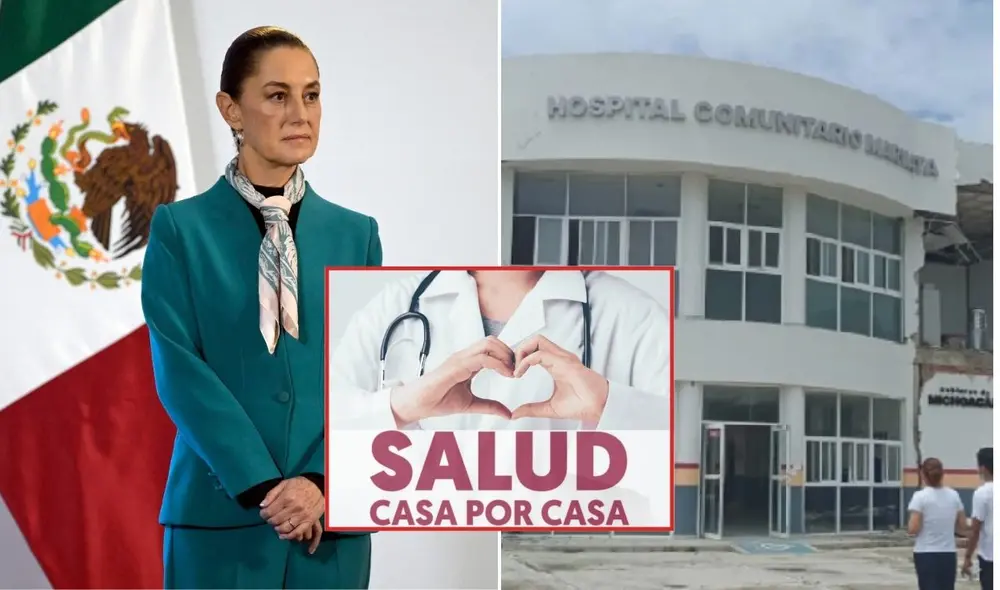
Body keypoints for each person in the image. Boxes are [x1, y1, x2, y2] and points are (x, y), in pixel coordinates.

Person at [141, 26, 381, 589]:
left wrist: (320, 481)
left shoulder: (357, 236)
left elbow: (373, 377)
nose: (300, 113)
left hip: (330, 525)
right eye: (278, 96)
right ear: (231, 109)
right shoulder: (180, 230)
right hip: (220, 520)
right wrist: (262, 487)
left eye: (312, 95)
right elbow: (179, 370)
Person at [329, 269, 670, 431]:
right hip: (434, 554)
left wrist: (610, 405)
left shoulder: (632, 314)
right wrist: (401, 406)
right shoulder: (395, 303)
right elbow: (321, 424)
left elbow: (686, 443)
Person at [907, 457, 968, 590]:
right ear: (942, 474)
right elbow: (962, 526)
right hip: (948, 553)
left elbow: (913, 529)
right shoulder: (954, 495)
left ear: (923, 474)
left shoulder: (920, 497)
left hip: (925, 553)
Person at [963, 447, 993, 589]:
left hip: (990, 557)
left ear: (983, 468)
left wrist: (968, 556)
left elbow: (975, 529)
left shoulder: (982, 493)